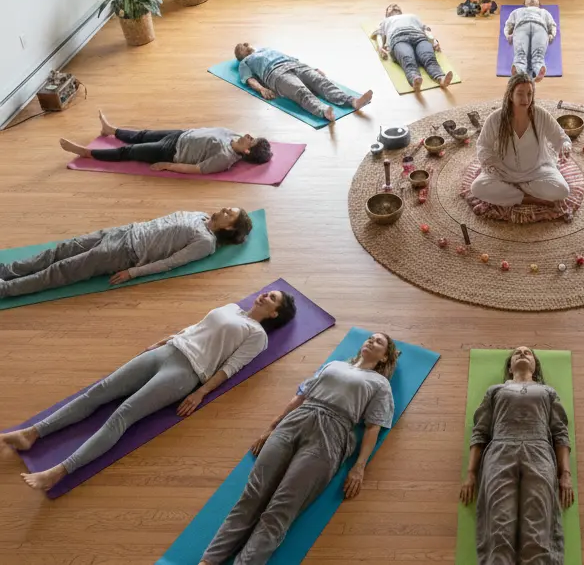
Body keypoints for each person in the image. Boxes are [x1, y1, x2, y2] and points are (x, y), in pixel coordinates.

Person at [1, 290, 297, 492]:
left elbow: (230, 368)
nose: (265, 295)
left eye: (272, 298)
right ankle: (31, 434)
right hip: (169, 349)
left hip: (186, 373)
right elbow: (196, 326)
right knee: (100, 390)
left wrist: (199, 393)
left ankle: (59, 472)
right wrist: (164, 340)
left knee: (123, 414)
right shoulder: (232, 307)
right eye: (268, 292)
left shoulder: (257, 336)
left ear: (274, 313)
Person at [198, 332, 399, 565]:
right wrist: (271, 427)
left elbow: (373, 427)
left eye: (379, 342)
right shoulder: (333, 365)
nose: (371, 341)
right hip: (296, 420)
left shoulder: (380, 384)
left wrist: (359, 467)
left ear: (385, 357)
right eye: (370, 338)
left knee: (281, 508)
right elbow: (299, 397)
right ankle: (209, 561)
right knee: (252, 496)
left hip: (332, 433)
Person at [460, 346, 574, 565]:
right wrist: (471, 474)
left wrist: (565, 474)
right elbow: (480, 431)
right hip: (500, 452)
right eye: (517, 352)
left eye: (528, 352)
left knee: (538, 528)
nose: (522, 353)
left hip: (539, 453)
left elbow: (560, 432)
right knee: (499, 527)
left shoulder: (547, 392)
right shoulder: (495, 391)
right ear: (510, 366)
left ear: (535, 365)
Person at [0, 208, 252, 299]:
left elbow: (172, 262)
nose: (225, 209)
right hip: (124, 231)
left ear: (229, 227)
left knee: (62, 270)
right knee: (61, 250)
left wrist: (133, 272)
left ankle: (6, 289)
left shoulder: (205, 243)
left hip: (125, 252)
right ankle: (7, 271)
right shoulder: (200, 215)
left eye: (230, 213)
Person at [59, 110, 274, 175]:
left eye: (251, 140)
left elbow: (198, 169)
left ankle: (89, 153)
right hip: (180, 134)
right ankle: (111, 130)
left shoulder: (225, 159)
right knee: (143, 134)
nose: (248, 135)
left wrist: (167, 165)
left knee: (130, 151)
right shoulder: (235, 136)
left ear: (246, 151)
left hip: (171, 151)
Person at [470, 74, 572, 208]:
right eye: (520, 94)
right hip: (504, 172)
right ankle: (528, 198)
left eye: (529, 94)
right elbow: (483, 145)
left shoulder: (541, 115)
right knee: (477, 187)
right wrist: (491, 163)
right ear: (510, 95)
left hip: (536, 171)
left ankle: (514, 191)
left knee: (562, 190)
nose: (526, 99)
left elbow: (560, 137)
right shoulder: (495, 118)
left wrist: (565, 145)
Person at [234, 43, 372, 121]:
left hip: (296, 66)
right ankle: (324, 111)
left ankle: (353, 101)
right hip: (276, 74)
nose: (247, 44)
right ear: (242, 54)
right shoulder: (245, 62)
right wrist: (262, 89)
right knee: (300, 91)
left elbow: (293, 58)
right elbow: (249, 79)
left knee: (321, 81)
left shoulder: (267, 49)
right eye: (243, 46)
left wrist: (313, 68)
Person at [370, 3, 454, 92]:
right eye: (390, 8)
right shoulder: (385, 21)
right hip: (398, 39)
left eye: (396, 6)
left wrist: (434, 41)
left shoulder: (412, 16)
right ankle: (415, 80)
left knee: (429, 57)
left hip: (419, 37)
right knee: (407, 59)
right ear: (386, 14)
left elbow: (425, 29)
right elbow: (379, 34)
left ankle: (441, 79)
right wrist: (380, 47)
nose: (394, 7)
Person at [504, 0, 558, 81]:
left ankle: (528, 70)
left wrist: (552, 35)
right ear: (525, 3)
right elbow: (508, 25)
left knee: (530, 54)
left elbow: (552, 26)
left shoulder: (543, 12)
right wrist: (508, 35)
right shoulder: (518, 11)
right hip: (532, 27)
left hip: (529, 27)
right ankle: (522, 70)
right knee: (527, 54)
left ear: (538, 3)